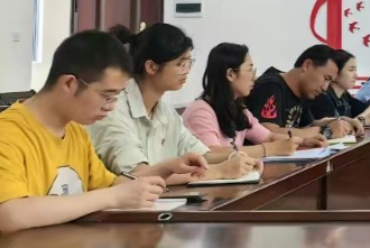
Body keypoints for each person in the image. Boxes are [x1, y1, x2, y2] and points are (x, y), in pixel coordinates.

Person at [0, 31, 206, 232]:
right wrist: (113, 197)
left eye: (116, 97)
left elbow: (110, 185)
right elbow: (8, 214)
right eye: (107, 96)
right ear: (70, 83)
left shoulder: (75, 131)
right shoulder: (8, 132)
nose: (111, 106)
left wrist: (167, 168)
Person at [88, 24, 258, 185]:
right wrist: (219, 171)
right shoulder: (114, 109)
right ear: (151, 67)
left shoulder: (166, 112)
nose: (187, 70)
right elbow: (137, 175)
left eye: (189, 62)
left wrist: (238, 158)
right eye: (180, 64)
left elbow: (201, 154)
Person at [183, 43, 313, 158]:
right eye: (250, 69)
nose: (254, 76)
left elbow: (269, 137)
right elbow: (213, 153)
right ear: (230, 74)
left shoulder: (238, 109)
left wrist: (302, 141)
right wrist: (269, 149)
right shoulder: (201, 111)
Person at [245, 44, 354, 140]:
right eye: (326, 78)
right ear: (307, 65)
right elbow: (268, 133)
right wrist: (324, 131)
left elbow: (308, 126)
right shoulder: (271, 86)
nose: (325, 88)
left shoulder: (303, 91)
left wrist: (340, 122)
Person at [308, 49, 370, 131]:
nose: (356, 76)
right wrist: (361, 121)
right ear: (335, 73)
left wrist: (358, 121)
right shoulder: (321, 97)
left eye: (355, 70)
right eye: (351, 70)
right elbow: (329, 129)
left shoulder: (344, 96)